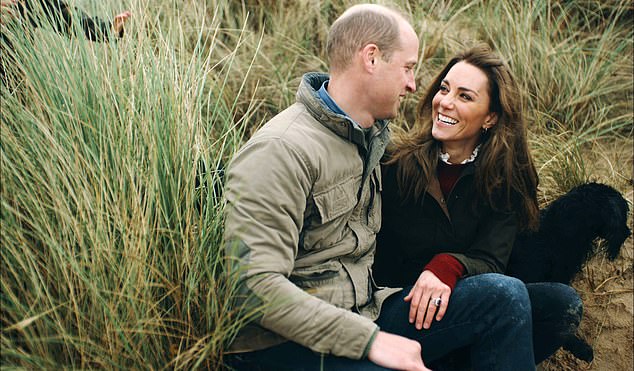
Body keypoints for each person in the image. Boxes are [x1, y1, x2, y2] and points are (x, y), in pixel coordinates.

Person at [224, 4, 537, 370]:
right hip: (284, 343)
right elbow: (251, 289)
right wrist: (370, 341)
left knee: (506, 297)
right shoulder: (284, 148)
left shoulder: (370, 142)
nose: (414, 85)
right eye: (408, 68)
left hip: (366, 311)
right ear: (371, 58)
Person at [373, 44, 583, 368]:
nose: (445, 102)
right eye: (444, 89)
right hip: (396, 311)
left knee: (560, 303)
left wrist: (448, 265)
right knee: (504, 295)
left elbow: (491, 260)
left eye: (465, 96)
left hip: (460, 310)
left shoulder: (505, 179)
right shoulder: (395, 163)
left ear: (491, 117)